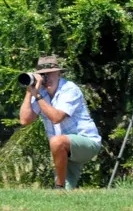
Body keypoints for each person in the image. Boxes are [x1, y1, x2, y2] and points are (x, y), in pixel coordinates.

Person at [19, 55, 102, 189]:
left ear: (58, 73)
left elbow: (56, 118)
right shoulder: (41, 92)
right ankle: (61, 190)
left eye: (50, 74)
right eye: (42, 75)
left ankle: (59, 186)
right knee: (63, 196)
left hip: (87, 142)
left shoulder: (69, 89)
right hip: (64, 151)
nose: (46, 78)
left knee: (57, 141)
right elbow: (24, 120)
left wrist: (38, 96)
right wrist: (30, 92)